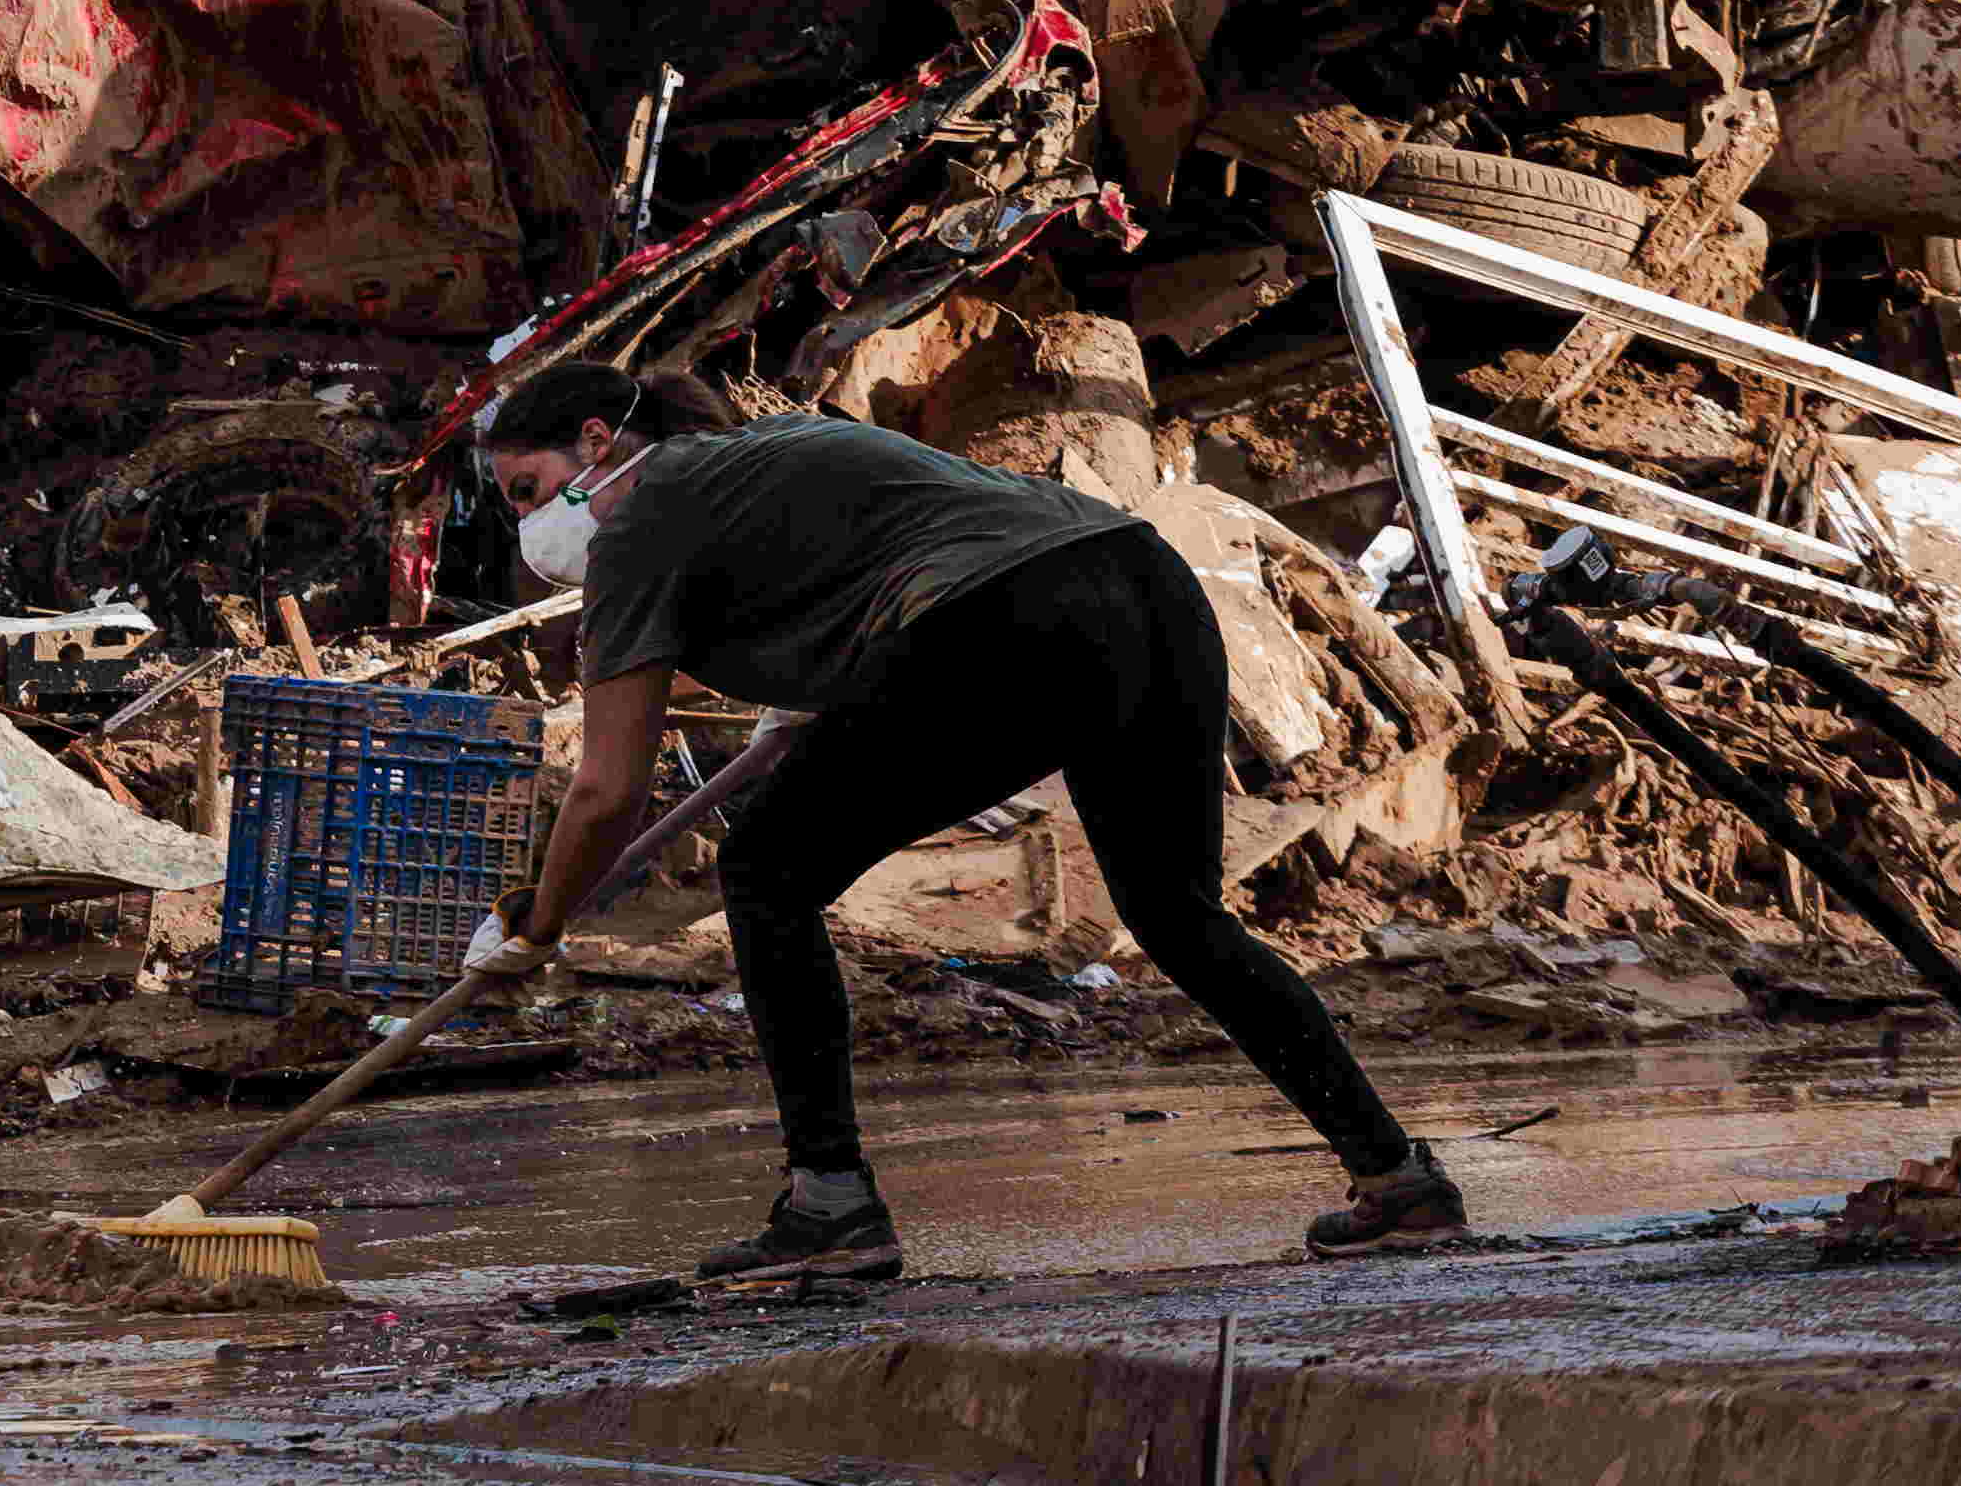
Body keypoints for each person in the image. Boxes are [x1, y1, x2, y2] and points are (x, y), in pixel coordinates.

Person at [467, 363, 1456, 1285]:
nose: (526, 528)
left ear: (596, 442)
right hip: (1140, 581)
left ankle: (829, 1204)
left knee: (765, 866)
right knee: (1174, 914)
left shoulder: (642, 516)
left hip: (1009, 618)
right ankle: (1393, 1173)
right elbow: (870, 561)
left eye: (523, 489)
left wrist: (536, 926)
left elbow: (605, 789)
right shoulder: (752, 456)